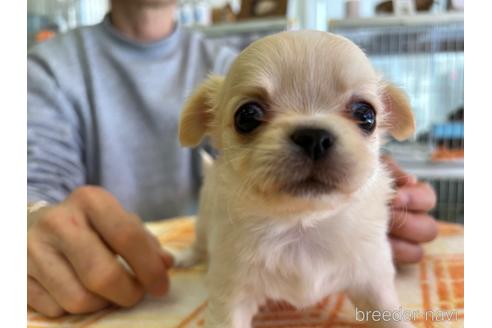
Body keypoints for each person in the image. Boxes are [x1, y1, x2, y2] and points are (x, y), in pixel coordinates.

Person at [27, 0, 438, 318]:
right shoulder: (44, 70)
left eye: (361, 116)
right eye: (251, 117)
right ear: (212, 122)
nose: (315, 140)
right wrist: (29, 216)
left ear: (385, 121)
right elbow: (31, 183)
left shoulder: (232, 61)